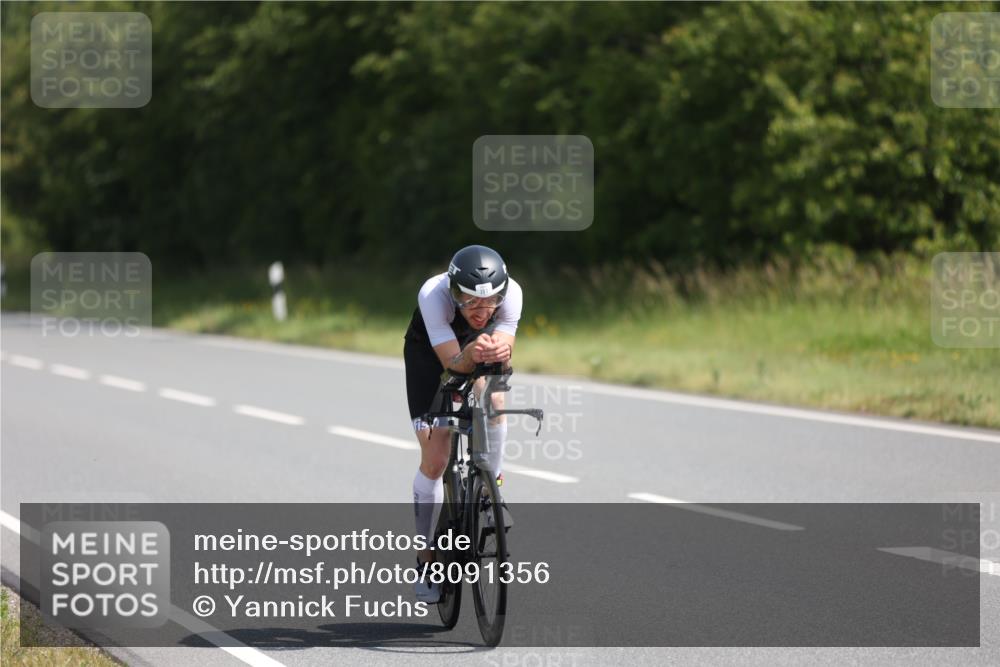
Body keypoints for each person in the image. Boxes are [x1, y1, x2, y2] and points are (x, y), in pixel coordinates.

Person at [403, 244, 522, 603]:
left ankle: (491, 490)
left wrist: (499, 351)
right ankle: (426, 558)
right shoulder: (433, 295)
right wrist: (470, 354)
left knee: (495, 395)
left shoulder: (512, 293)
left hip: (473, 348)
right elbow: (452, 364)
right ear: (453, 292)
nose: (480, 311)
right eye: (469, 301)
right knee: (437, 459)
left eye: (489, 303)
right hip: (431, 355)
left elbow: (503, 345)